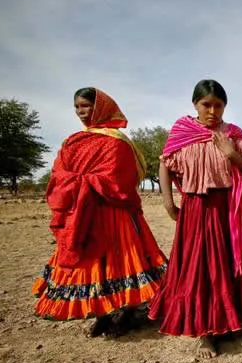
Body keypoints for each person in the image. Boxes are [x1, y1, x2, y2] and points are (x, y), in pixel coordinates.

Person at [148, 79, 242, 358]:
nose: (212, 111)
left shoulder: (233, 134)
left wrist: (231, 153)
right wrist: (169, 204)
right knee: (201, 269)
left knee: (229, 265)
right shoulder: (182, 131)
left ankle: (229, 320)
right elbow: (165, 164)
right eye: (207, 104)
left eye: (219, 105)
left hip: (229, 208)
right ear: (195, 104)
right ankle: (205, 332)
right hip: (195, 209)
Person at [32, 87, 167, 337]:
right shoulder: (71, 142)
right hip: (83, 212)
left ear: (101, 107)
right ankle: (102, 314)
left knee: (122, 262)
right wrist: (78, 183)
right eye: (77, 107)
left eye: (86, 106)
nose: (81, 112)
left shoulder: (118, 142)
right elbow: (58, 174)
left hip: (114, 212)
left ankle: (128, 312)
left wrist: (84, 182)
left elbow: (122, 178)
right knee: (92, 263)